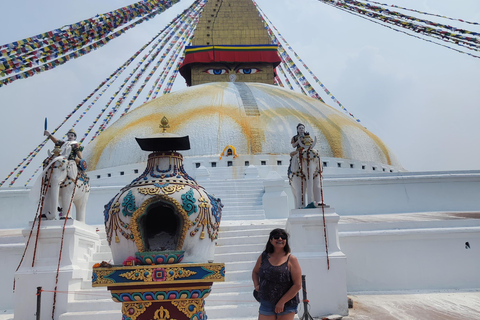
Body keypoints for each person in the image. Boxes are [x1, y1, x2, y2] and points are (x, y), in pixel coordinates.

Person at [252, 228, 302, 320]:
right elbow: (255, 272)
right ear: (271, 240)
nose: (280, 239)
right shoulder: (264, 256)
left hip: (287, 302)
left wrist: (281, 302)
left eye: (283, 237)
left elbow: (297, 285)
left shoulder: (292, 259)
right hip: (267, 300)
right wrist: (256, 285)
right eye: (276, 237)